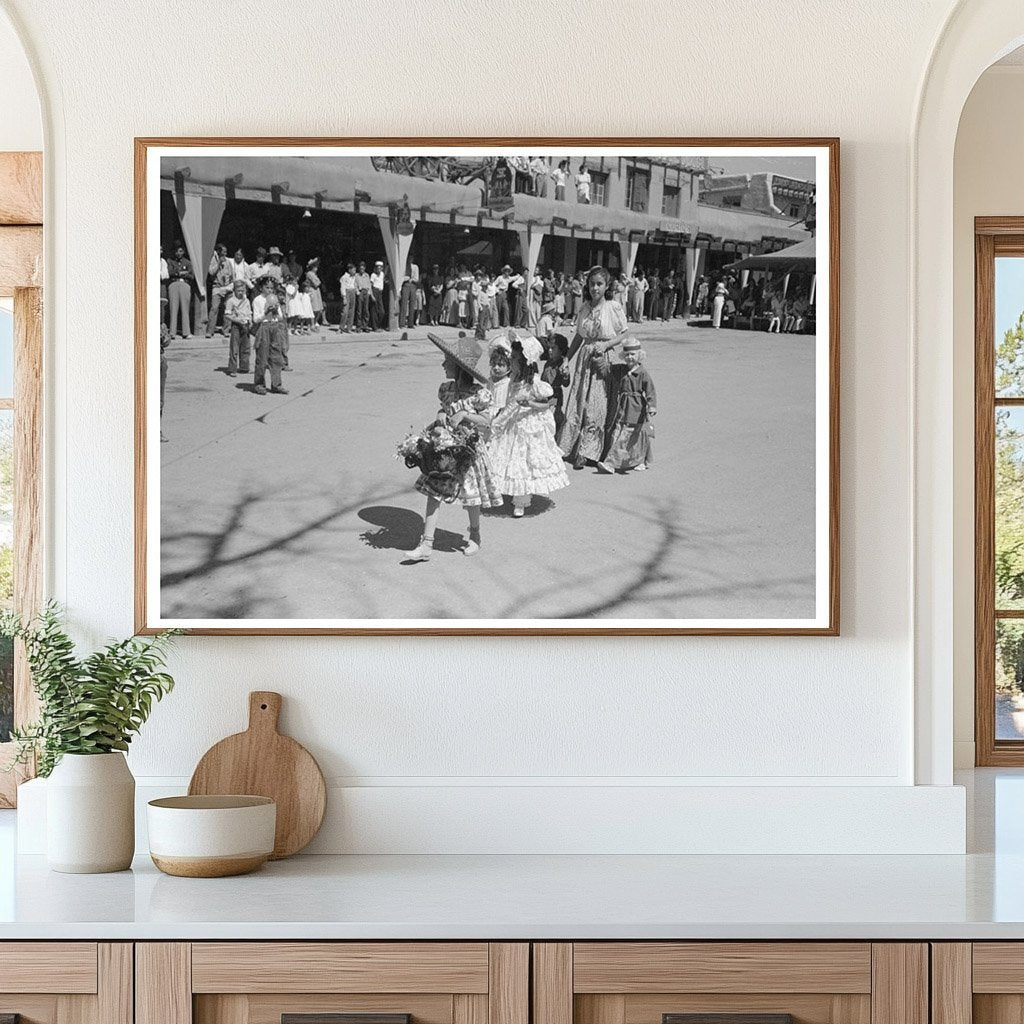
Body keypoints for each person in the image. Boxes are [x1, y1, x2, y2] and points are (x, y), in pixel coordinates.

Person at [405, 334, 503, 561]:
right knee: (434, 491)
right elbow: (444, 409)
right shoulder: (447, 389)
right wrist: (441, 414)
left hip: (468, 451)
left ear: (459, 367)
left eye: (447, 361)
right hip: (445, 449)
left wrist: (465, 415)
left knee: (471, 497)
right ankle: (426, 544)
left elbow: (487, 420)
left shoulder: (479, 394)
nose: (443, 364)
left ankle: (475, 535)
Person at [487, 333, 570, 518]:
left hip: (528, 426)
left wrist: (530, 404)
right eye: (512, 357)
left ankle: (521, 501)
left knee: (524, 461)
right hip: (512, 424)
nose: (511, 361)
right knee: (508, 457)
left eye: (515, 358)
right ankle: (510, 490)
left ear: (524, 362)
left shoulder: (534, 383)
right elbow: (509, 403)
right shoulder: (513, 380)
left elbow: (548, 404)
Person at [561, 265, 628, 469]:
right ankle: (570, 447)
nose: (595, 288)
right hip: (585, 359)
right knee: (578, 402)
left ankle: (588, 451)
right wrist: (566, 359)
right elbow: (579, 336)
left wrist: (606, 345)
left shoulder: (613, 307)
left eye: (599, 284)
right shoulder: (584, 308)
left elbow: (624, 333)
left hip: (603, 359)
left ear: (607, 286)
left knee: (596, 406)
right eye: (592, 284)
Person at [597, 338, 657, 474]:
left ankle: (619, 463)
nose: (630, 357)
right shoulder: (621, 369)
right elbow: (606, 370)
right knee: (621, 434)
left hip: (637, 409)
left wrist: (652, 406)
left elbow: (650, 390)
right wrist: (599, 358)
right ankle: (618, 462)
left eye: (633, 354)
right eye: (627, 354)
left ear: (639, 355)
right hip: (623, 407)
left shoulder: (642, 373)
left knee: (634, 436)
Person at [252, 280, 288, 396]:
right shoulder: (257, 300)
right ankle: (259, 384)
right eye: (267, 287)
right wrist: (266, 312)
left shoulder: (275, 298)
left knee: (276, 357)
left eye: (271, 288)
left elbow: (280, 317)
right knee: (262, 358)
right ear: (261, 288)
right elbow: (256, 319)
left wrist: (276, 311)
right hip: (264, 327)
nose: (270, 290)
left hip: (274, 327)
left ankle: (276, 384)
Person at [541, 332, 571, 443]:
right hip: (545, 396)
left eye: (553, 348)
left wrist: (565, 375)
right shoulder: (548, 362)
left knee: (552, 420)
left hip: (554, 397)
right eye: (549, 348)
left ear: (561, 350)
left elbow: (566, 383)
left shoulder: (562, 364)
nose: (550, 350)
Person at [223, 279, 252, 377]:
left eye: (242, 291)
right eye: (238, 291)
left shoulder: (246, 300)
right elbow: (227, 315)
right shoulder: (231, 301)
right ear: (234, 290)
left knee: (246, 347)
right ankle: (232, 368)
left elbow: (249, 312)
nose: (240, 293)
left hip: (245, 324)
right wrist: (237, 320)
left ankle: (244, 367)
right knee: (234, 348)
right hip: (236, 325)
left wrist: (250, 321)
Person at [166, 243, 194, 338]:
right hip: (174, 283)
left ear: (184, 252)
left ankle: (186, 332)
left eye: (181, 251)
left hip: (184, 284)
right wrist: (180, 273)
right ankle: (172, 332)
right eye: (177, 251)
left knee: (185, 309)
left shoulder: (188, 262)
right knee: (173, 309)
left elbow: (191, 276)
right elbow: (170, 272)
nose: (178, 253)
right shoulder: (170, 261)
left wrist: (183, 274)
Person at [206, 250, 234, 337]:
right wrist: (219, 263)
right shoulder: (213, 260)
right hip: (217, 287)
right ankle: (210, 330)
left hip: (227, 286)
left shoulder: (228, 261)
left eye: (225, 252)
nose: (224, 254)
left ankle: (226, 329)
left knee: (228, 308)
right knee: (214, 308)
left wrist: (231, 283)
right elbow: (211, 272)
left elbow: (232, 274)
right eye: (223, 252)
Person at [304, 258, 324, 330]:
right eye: (315, 266)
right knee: (314, 308)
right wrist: (318, 282)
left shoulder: (314, 274)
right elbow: (317, 283)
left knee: (319, 309)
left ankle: (315, 322)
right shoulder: (309, 274)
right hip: (312, 290)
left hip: (316, 291)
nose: (317, 268)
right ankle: (311, 324)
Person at [339, 262, 357, 333]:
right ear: (349, 270)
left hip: (352, 292)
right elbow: (342, 287)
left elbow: (354, 284)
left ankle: (349, 328)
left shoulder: (354, 277)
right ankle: (341, 327)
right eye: (353, 270)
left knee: (351, 311)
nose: (355, 272)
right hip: (347, 292)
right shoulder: (344, 277)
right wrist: (344, 297)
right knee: (345, 311)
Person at [354, 261, 372, 331]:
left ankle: (365, 325)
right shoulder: (356, 275)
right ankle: (358, 326)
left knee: (366, 309)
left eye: (363, 268)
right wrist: (357, 292)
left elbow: (369, 284)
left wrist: (369, 292)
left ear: (364, 268)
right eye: (360, 268)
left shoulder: (367, 275)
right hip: (360, 292)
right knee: (359, 310)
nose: (362, 270)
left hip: (366, 292)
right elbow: (355, 284)